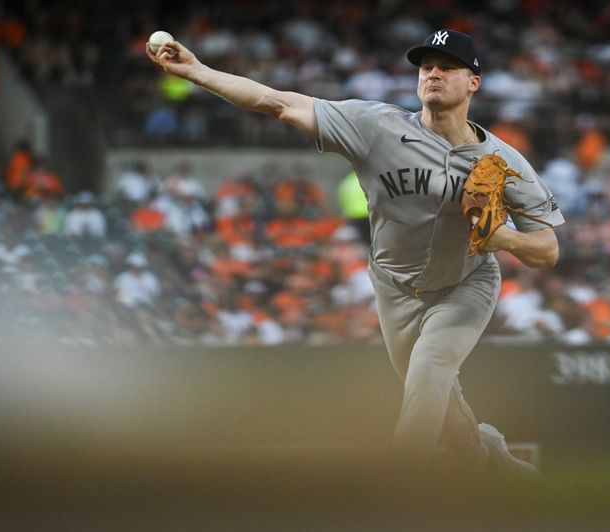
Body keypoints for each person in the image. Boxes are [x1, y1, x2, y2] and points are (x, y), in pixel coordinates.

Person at [147, 28, 565, 472]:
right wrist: (197, 71)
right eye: (426, 67)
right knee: (440, 405)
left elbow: (548, 251)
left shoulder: (503, 160)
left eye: (447, 67)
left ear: (473, 83)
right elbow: (277, 101)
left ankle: (396, 487)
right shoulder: (375, 126)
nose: (433, 74)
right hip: (394, 287)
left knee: (430, 367)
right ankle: (492, 462)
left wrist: (504, 239)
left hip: (466, 284)